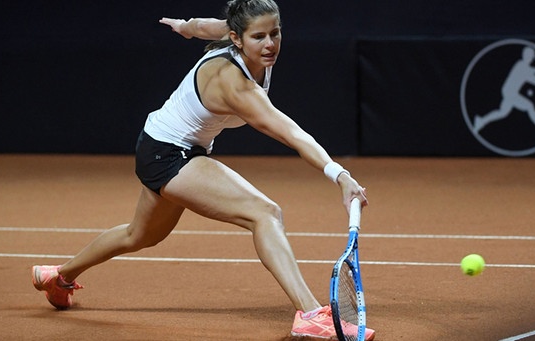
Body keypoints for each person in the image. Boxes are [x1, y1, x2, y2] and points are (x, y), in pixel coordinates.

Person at [31, 0, 374, 339]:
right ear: (238, 39)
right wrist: (339, 175)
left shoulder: (234, 34)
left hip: (159, 143)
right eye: (259, 37)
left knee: (140, 235)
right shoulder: (234, 83)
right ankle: (310, 314)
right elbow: (292, 133)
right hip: (169, 154)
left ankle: (57, 277)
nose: (270, 44)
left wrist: (184, 26)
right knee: (264, 213)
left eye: (276, 33)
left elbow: (203, 26)